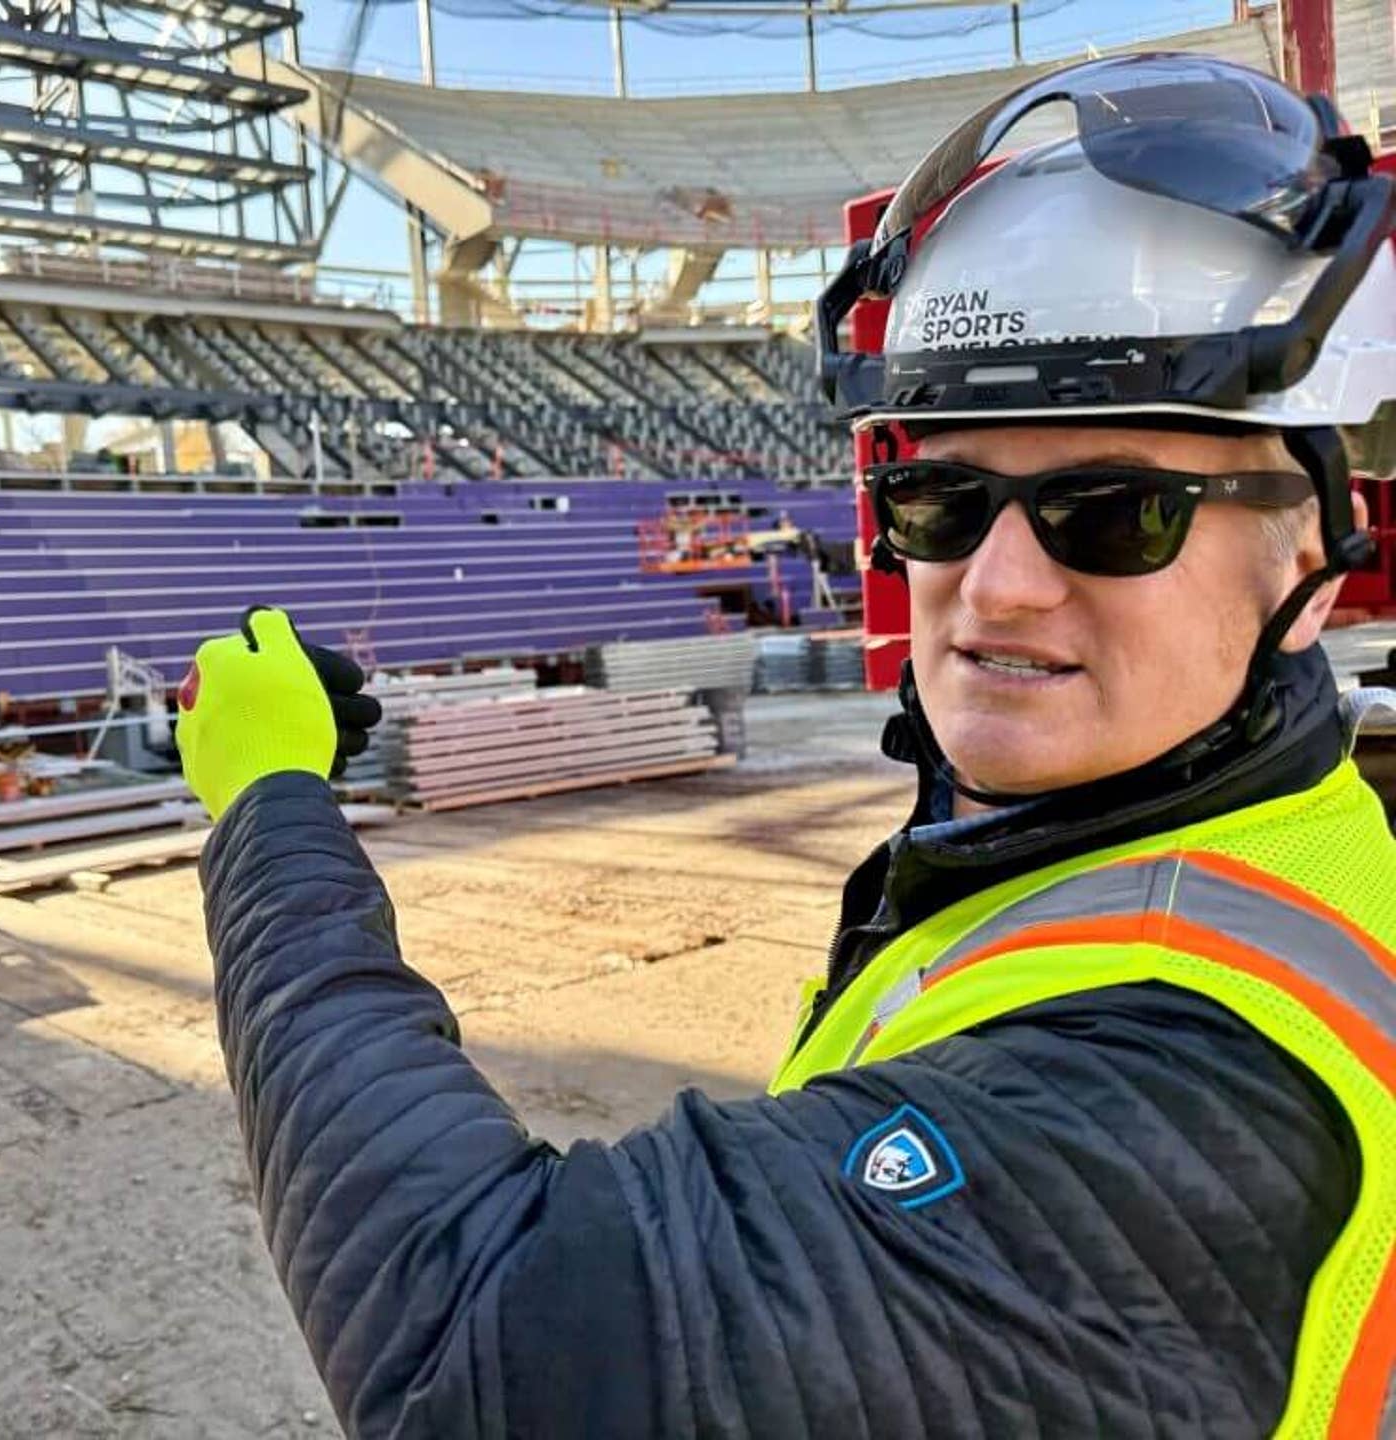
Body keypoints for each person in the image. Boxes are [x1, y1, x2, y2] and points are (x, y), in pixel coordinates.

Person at [175, 55, 1396, 1439]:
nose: (998, 588)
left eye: (1113, 513)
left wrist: (268, 804)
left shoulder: (1177, 1083)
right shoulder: (1225, 845)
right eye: (939, 500)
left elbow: (474, 1346)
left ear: (1309, 566)